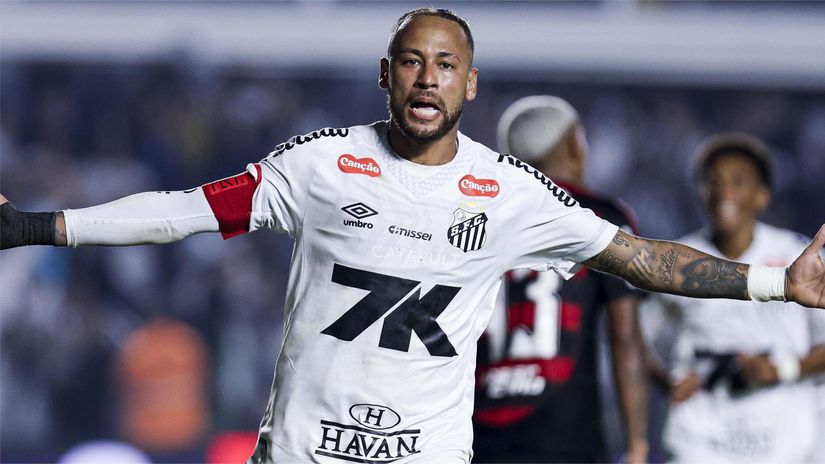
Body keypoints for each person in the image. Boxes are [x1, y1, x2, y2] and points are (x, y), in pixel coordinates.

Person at [1, 9, 824, 464]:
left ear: (470, 84)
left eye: (443, 64)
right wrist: (34, 225)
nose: (425, 77)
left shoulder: (510, 191)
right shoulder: (319, 164)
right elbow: (182, 210)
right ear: (385, 74)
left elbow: (642, 260)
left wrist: (776, 284)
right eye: (409, 61)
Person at [473, 96, 648, 463]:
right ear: (573, 144)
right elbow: (625, 336)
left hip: (477, 432)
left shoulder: (477, 216)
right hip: (566, 437)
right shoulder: (599, 217)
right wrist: (637, 444)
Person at [642, 132, 825, 463]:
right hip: (701, 436)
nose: (724, 191)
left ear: (762, 195)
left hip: (786, 436)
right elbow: (632, 337)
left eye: (738, 181)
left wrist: (783, 369)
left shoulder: (798, 257)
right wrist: (666, 382)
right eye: (713, 181)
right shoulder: (675, 260)